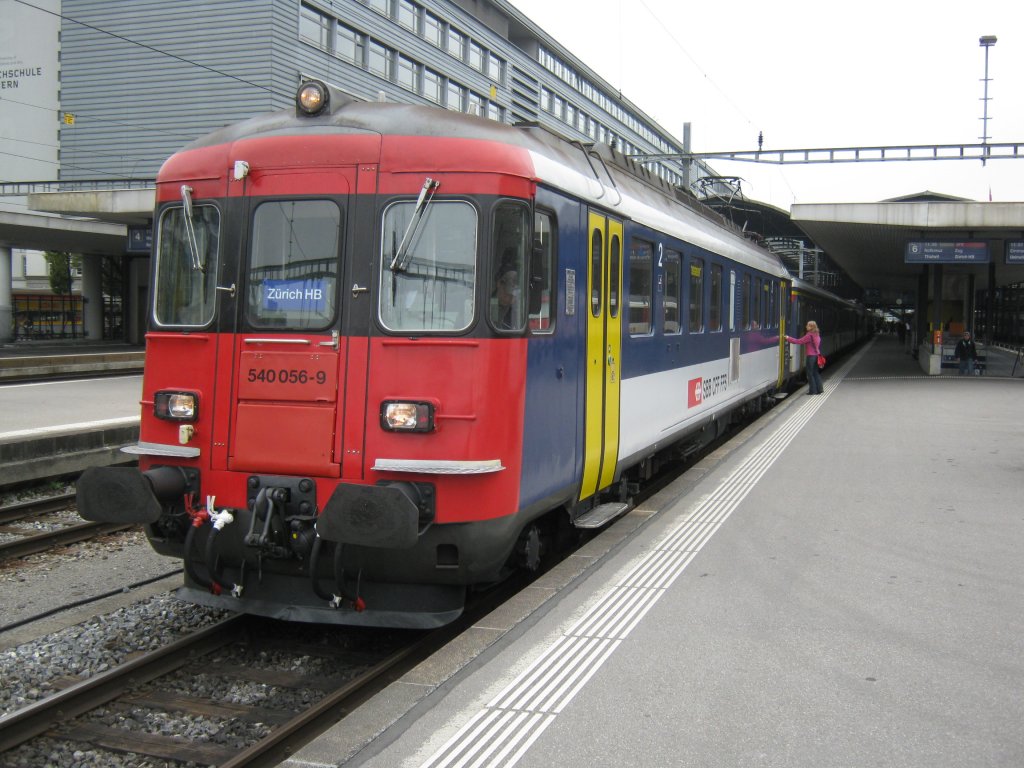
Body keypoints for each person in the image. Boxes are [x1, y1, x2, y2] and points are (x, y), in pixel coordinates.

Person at [786, 320, 824, 395]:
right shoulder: (817, 334)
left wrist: (788, 338)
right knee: (815, 373)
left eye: (807, 325)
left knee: (810, 374)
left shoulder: (809, 335)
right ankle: (820, 389)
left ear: (811, 327)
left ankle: (813, 391)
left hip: (811, 357)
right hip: (817, 355)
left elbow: (798, 341)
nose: (806, 326)